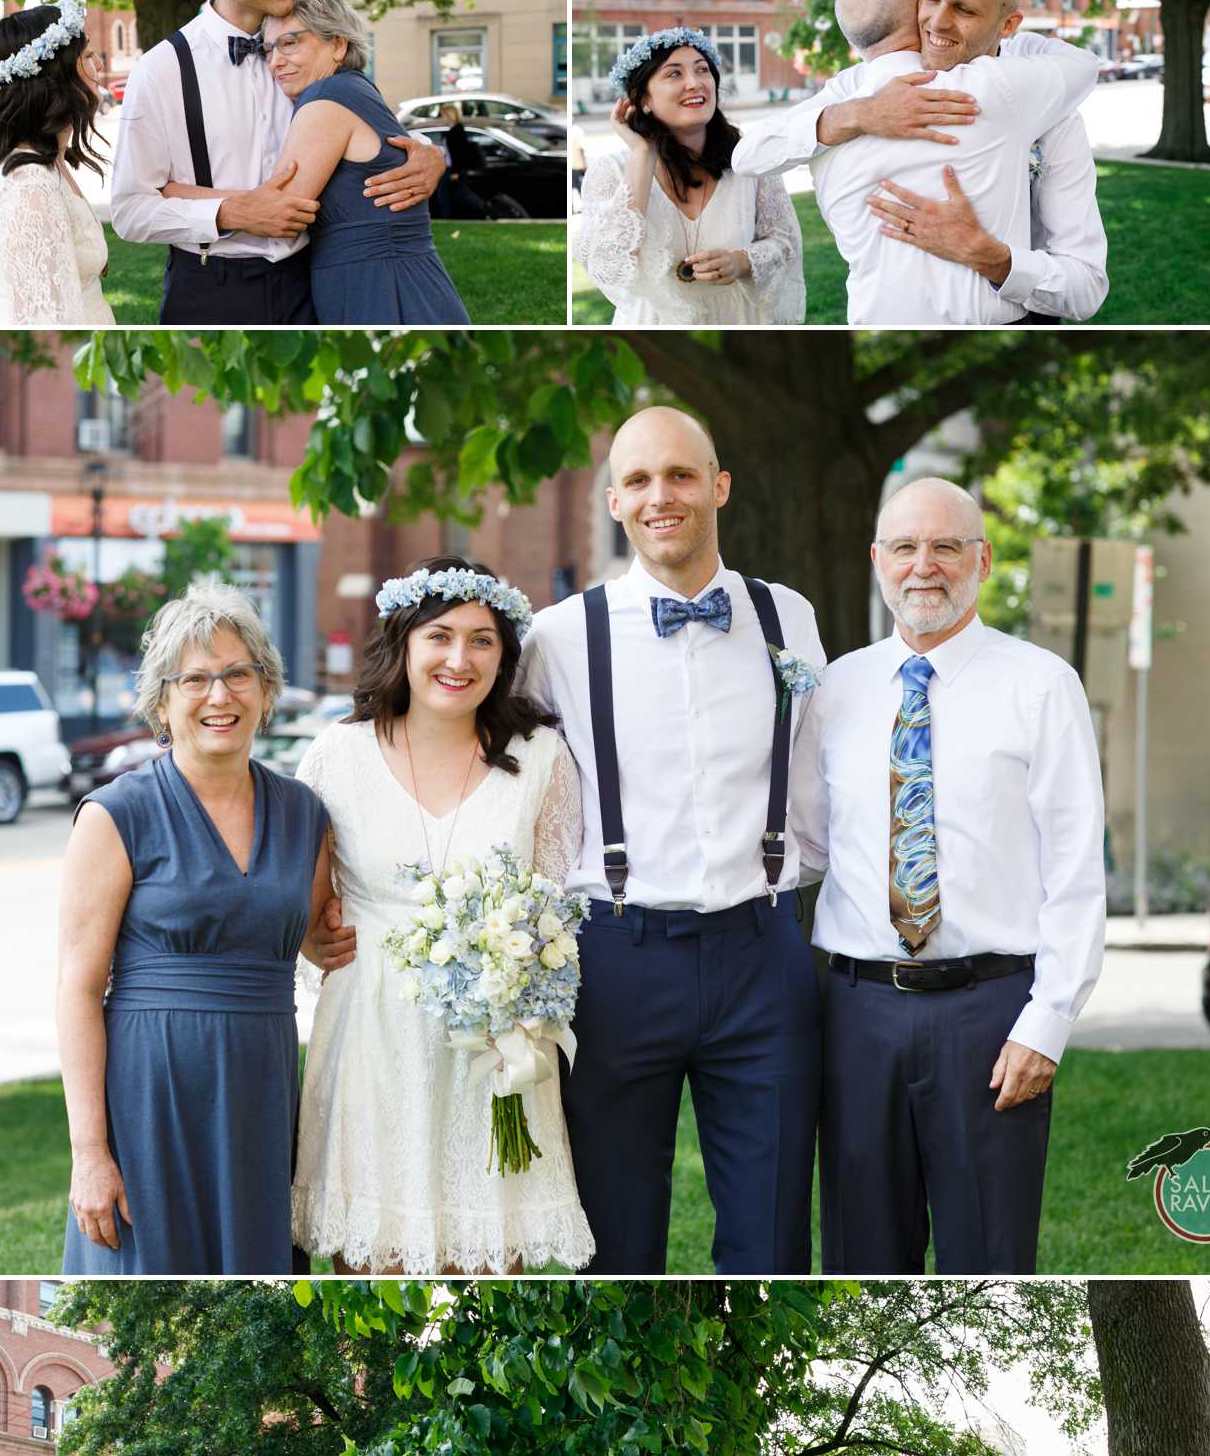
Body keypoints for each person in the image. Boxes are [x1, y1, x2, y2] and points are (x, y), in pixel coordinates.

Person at [521, 407, 826, 1276]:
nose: (665, 496)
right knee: (613, 1246)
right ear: (615, 499)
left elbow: (813, 772)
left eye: (683, 475)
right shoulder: (559, 637)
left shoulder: (788, 618)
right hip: (617, 958)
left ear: (719, 486)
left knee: (772, 1239)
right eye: (642, 480)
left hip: (763, 956)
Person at [812, 474, 1105, 1275]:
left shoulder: (1041, 686)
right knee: (860, 1263)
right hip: (857, 1014)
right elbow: (807, 841)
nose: (924, 566)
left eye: (946, 546)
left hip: (992, 1016)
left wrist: (1047, 1023)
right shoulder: (836, 689)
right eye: (906, 547)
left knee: (990, 1260)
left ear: (981, 560)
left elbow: (1076, 872)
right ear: (878, 560)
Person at [293, 559, 593, 1275]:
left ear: (505, 654)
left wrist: (519, 978)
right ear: (403, 641)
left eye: (482, 640)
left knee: (492, 1260)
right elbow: (303, 908)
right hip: (372, 1035)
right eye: (440, 636)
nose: (460, 659)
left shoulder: (541, 755)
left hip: (494, 1047)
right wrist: (313, 936)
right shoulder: (339, 754)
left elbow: (556, 911)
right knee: (373, 1265)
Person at [58, 581, 329, 1276]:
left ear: (267, 692)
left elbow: (317, 934)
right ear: (161, 702)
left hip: (263, 1092)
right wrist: (89, 1151)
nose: (220, 696)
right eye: (197, 679)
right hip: (151, 1097)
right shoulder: (116, 814)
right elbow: (78, 989)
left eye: (240, 674)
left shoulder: (305, 814)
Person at [110, 0, 443, 324]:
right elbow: (130, 210)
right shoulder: (162, 70)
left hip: (314, 281)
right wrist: (229, 212)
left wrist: (427, 152)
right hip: (213, 290)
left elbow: (355, 117)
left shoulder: (307, 44)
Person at [730, 0, 1103, 325]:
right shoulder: (853, 90)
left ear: (1007, 25)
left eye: (965, 9)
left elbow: (1086, 288)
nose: (938, 22)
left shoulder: (1040, 105)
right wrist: (863, 114)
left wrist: (989, 257)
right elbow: (749, 154)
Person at [161, 0, 468, 325]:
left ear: (337, 44)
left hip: (382, 287)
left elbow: (278, 214)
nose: (275, 61)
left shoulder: (327, 100)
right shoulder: (352, 89)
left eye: (290, 44)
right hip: (382, 280)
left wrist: (173, 193)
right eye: (268, 49)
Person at [578, 28, 804, 324]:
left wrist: (742, 262)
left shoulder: (749, 161)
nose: (694, 83)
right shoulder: (612, 170)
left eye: (702, 70)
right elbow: (608, 264)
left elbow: (785, 241)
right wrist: (642, 157)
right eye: (674, 74)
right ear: (643, 98)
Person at [0, 0, 116, 326]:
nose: (99, 66)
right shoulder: (28, 190)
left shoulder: (48, 162)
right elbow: (49, 323)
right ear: (56, 78)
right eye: (88, 56)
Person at [434, 104, 487, 221]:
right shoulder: (454, 130)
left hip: (452, 169)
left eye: (444, 115)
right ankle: (481, 209)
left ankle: (481, 209)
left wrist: (455, 171)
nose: (443, 117)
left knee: (446, 194)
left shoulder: (457, 131)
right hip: (450, 168)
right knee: (455, 193)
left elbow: (458, 153)